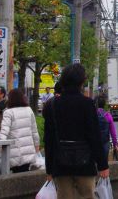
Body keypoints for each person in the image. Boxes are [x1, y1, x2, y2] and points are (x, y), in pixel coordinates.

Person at [43, 63, 109, 198]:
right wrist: (103, 165)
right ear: (81, 81)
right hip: (85, 163)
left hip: (60, 165)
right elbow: (94, 136)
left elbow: (48, 139)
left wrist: (49, 169)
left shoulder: (53, 105)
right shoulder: (87, 104)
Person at [0, 89, 40, 173]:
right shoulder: (29, 110)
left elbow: (4, 131)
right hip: (28, 150)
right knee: (25, 173)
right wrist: (37, 145)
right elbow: (34, 131)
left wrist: (0, 145)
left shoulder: (8, 112)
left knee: (15, 175)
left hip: (14, 151)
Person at [95, 95, 118, 160]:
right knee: (104, 163)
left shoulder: (93, 115)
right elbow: (113, 132)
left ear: (96, 104)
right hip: (105, 143)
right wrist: (115, 144)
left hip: (95, 143)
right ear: (104, 104)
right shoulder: (108, 115)